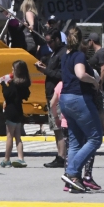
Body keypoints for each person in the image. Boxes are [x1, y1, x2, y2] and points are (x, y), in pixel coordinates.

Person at [59, 26, 103, 193]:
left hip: (65, 99)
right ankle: (71, 172)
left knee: (75, 140)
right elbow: (80, 74)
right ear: (82, 41)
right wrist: (94, 81)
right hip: (79, 99)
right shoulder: (79, 55)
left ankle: (74, 178)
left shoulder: (65, 56)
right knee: (95, 138)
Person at [37, 28, 68, 168]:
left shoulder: (63, 54)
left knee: (59, 127)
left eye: (50, 42)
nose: (48, 45)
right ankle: (60, 155)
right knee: (56, 128)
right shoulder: (54, 53)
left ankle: (62, 157)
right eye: (46, 42)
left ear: (57, 40)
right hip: (51, 95)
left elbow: (62, 75)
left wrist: (45, 70)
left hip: (58, 96)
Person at [0, 60, 31, 168]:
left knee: (9, 136)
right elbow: (26, 95)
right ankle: (21, 158)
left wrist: (3, 84)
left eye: (13, 69)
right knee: (18, 136)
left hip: (11, 111)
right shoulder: (24, 84)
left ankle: (6, 159)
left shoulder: (13, 84)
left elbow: (7, 95)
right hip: (19, 111)